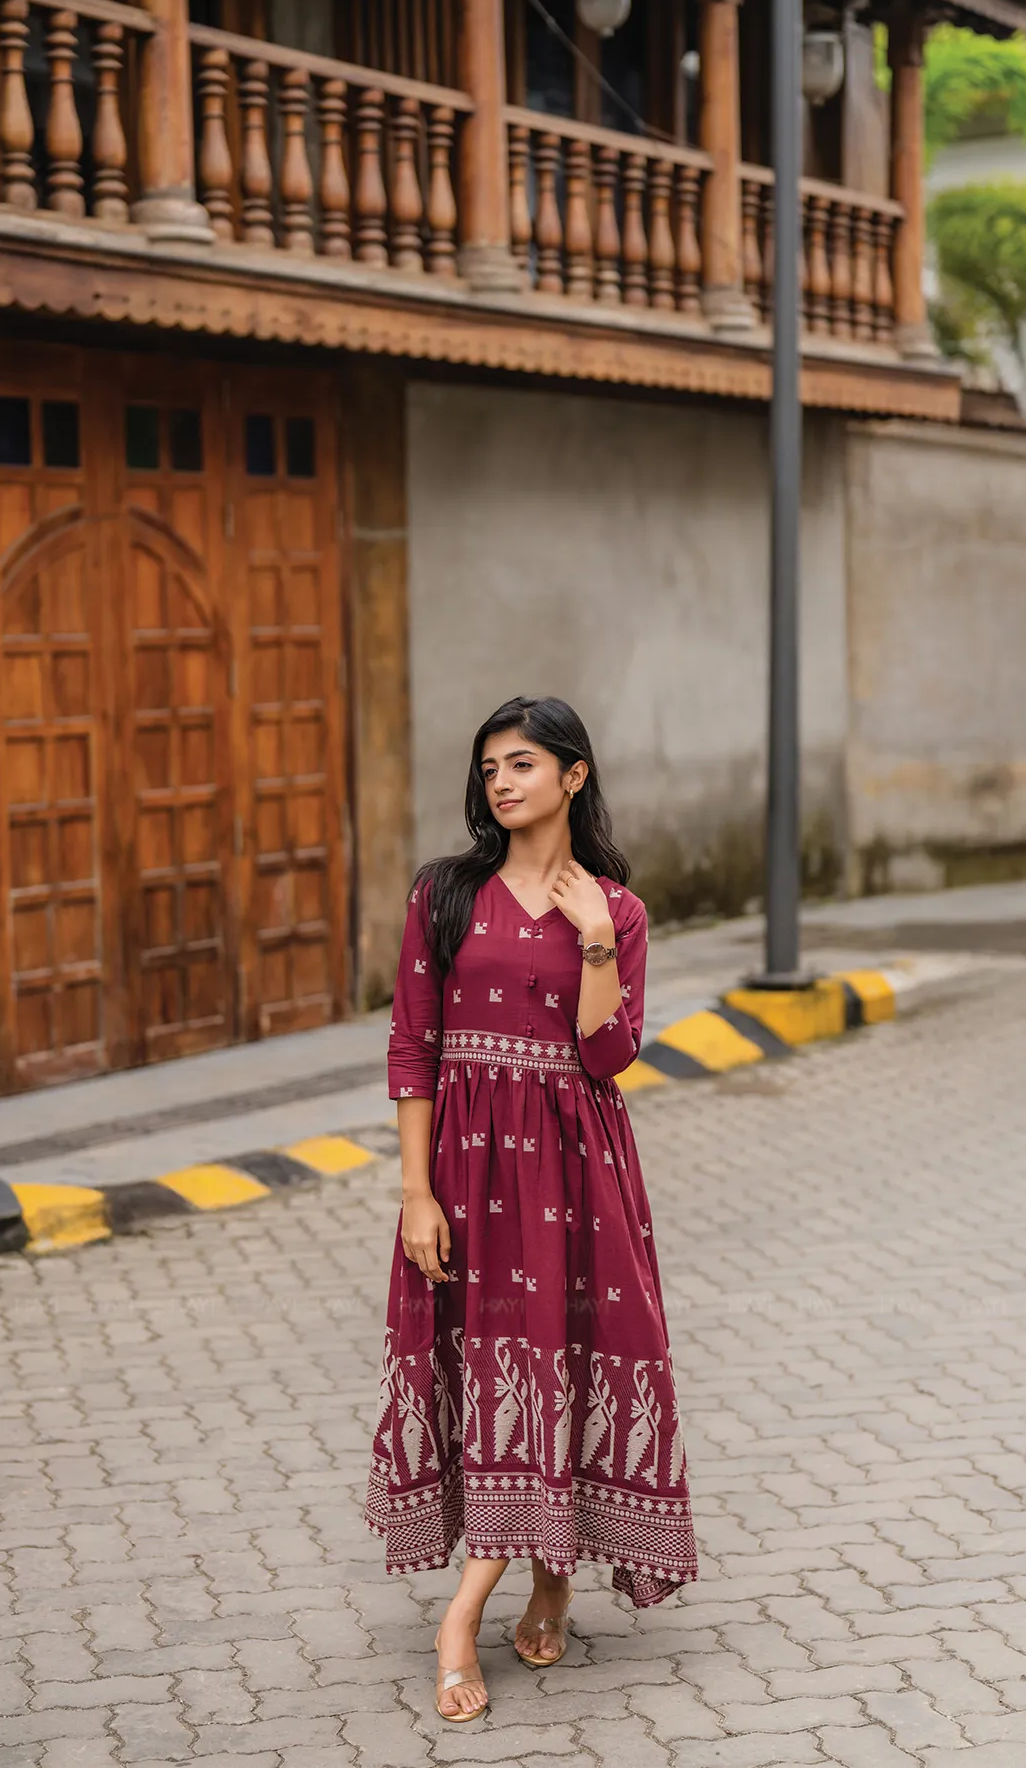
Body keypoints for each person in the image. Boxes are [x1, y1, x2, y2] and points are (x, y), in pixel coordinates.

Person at [364, 696, 698, 1722]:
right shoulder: (445, 894)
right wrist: (415, 1193)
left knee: (568, 1357)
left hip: (577, 1179)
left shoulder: (617, 911)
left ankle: (467, 1614)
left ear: (573, 774)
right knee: (496, 1364)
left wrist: (594, 940)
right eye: (489, 769)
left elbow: (607, 1057)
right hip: (467, 1172)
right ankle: (543, 1575)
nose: (502, 783)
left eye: (521, 764)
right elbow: (413, 1046)